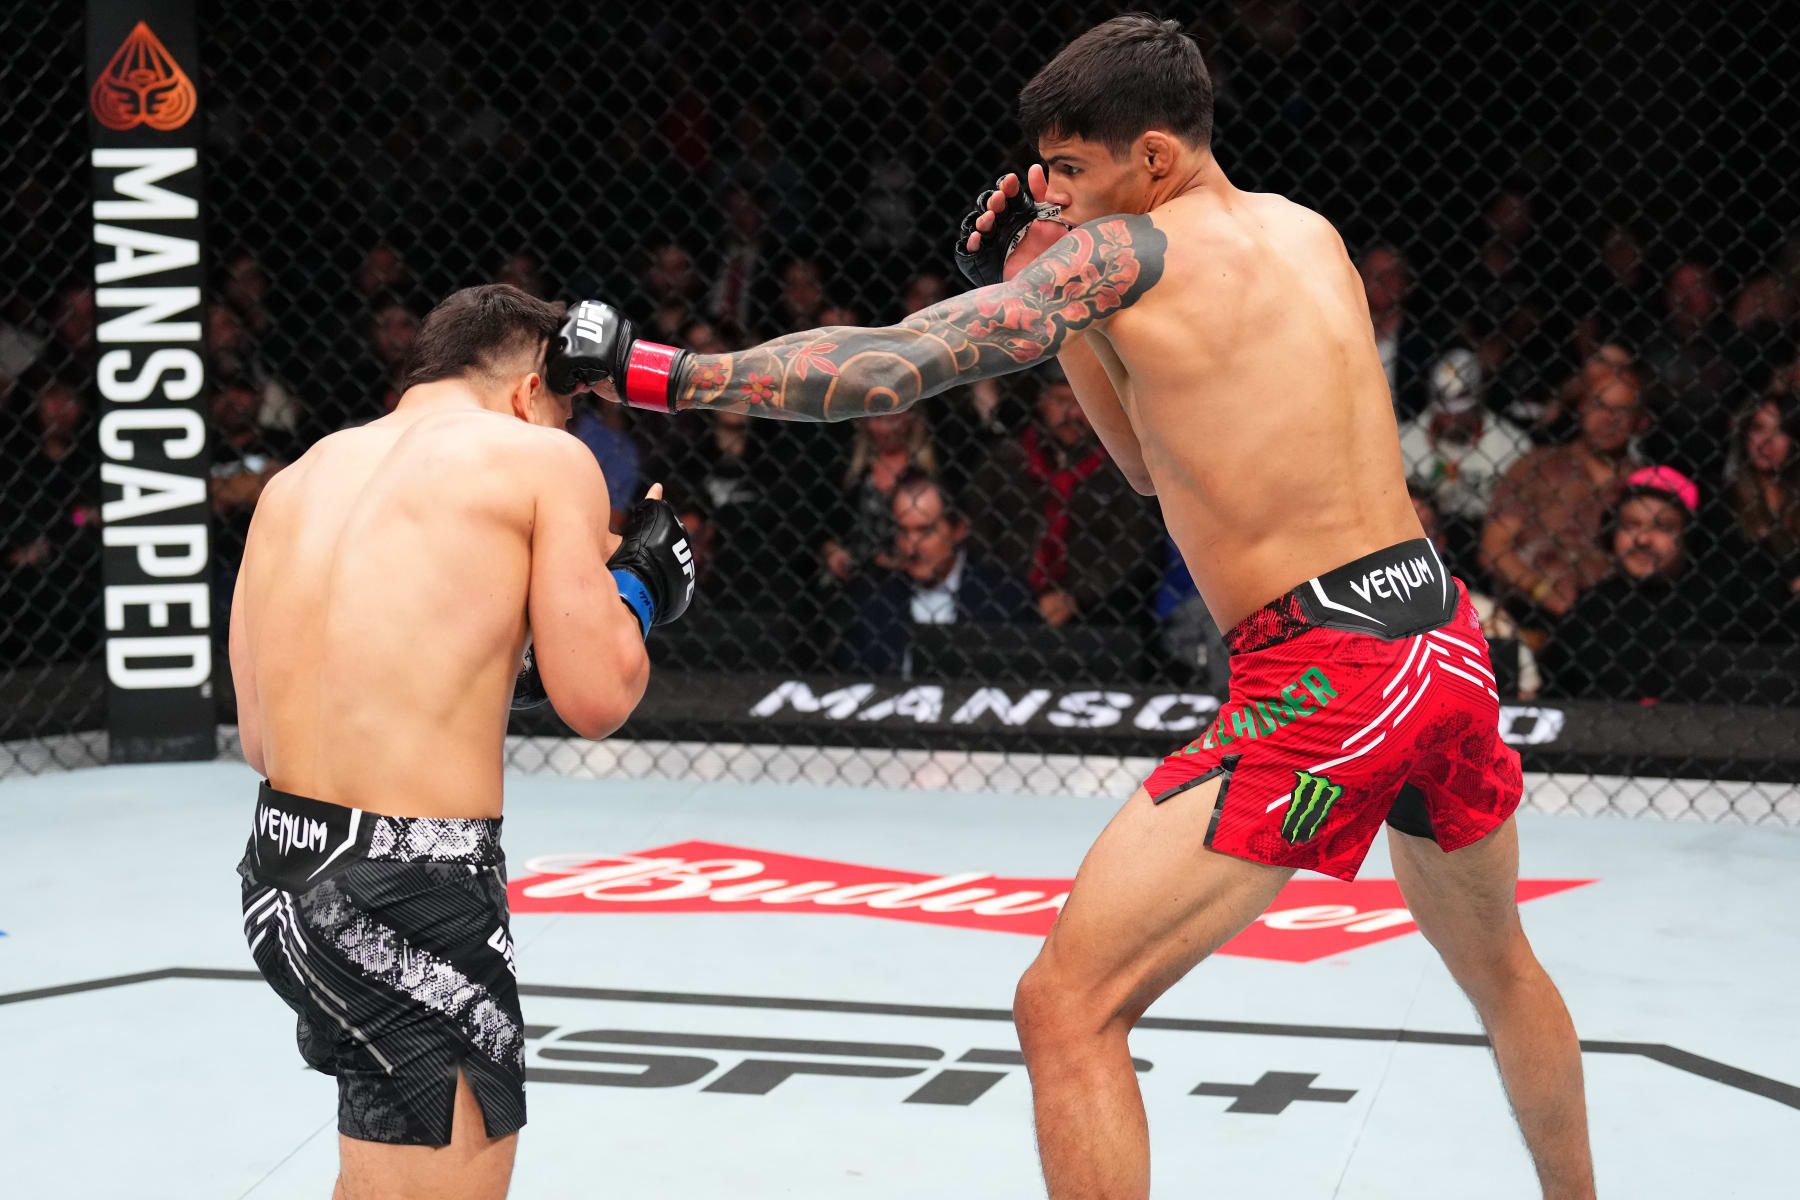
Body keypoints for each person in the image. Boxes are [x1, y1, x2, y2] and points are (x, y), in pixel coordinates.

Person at [546, 18, 1591, 1198]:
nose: (1052, 195)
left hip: (1330, 671)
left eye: (1072, 172)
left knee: (1066, 1007)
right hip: (1435, 635)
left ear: (1152, 158)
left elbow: (897, 363)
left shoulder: (1128, 255)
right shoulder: (1307, 234)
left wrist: (661, 373)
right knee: (1502, 968)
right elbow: (1150, 462)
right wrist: (1039, 275)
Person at [231, 284, 696, 1199]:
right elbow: (597, 696)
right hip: (412, 884)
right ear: (531, 390)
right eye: (563, 412)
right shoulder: (534, 458)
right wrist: (641, 584)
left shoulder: (299, 476)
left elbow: (259, 728)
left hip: (277, 868)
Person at [830, 467, 1035, 674]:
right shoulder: (871, 600)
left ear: (959, 530)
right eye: (903, 531)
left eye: (925, 531)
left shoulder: (1005, 597)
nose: (911, 546)